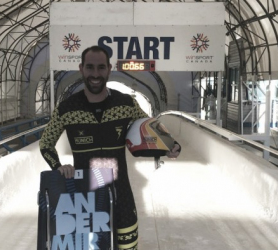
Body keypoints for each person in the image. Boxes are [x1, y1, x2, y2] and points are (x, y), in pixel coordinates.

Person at [39, 45, 181, 250]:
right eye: (90, 67)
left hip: (120, 190)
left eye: (100, 67)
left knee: (127, 244)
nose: (95, 74)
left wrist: (168, 148)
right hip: (84, 195)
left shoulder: (126, 104)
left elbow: (149, 130)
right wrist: (58, 167)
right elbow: (46, 143)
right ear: (81, 68)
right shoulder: (66, 109)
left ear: (109, 68)